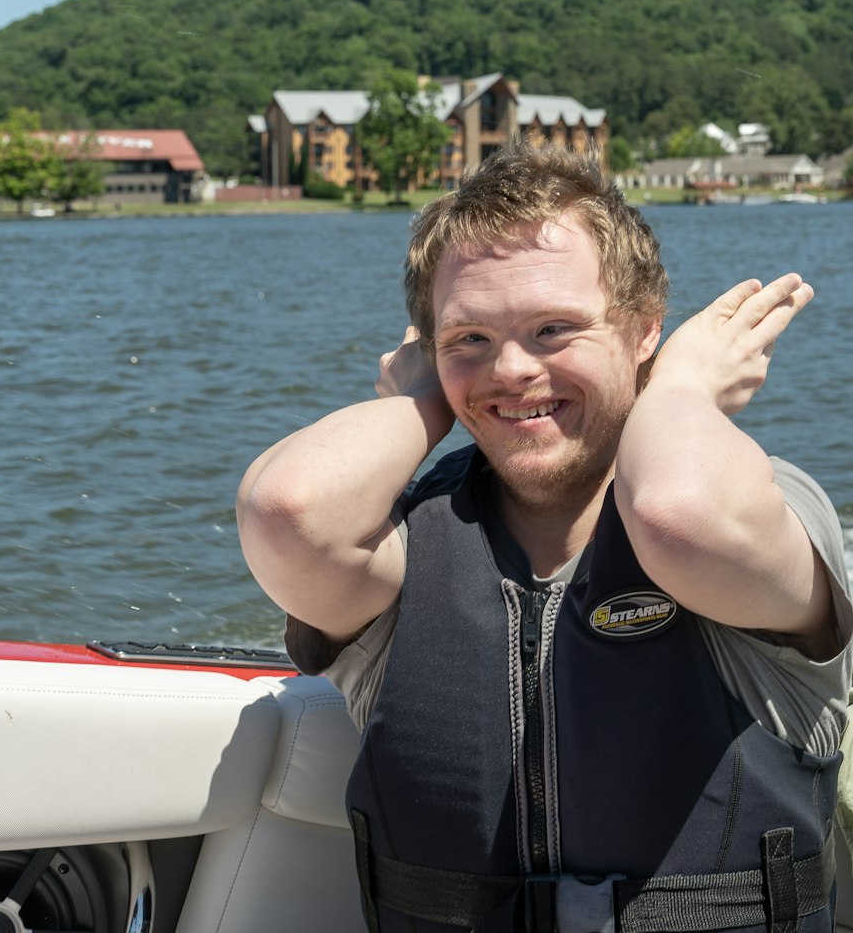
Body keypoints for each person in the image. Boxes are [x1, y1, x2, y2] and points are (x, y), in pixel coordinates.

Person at [237, 142, 852, 933]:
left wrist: (683, 385)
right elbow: (287, 511)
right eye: (471, 337)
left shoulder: (759, 505)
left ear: (644, 327)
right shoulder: (400, 547)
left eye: (554, 328)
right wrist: (433, 393)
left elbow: (679, 514)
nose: (512, 369)